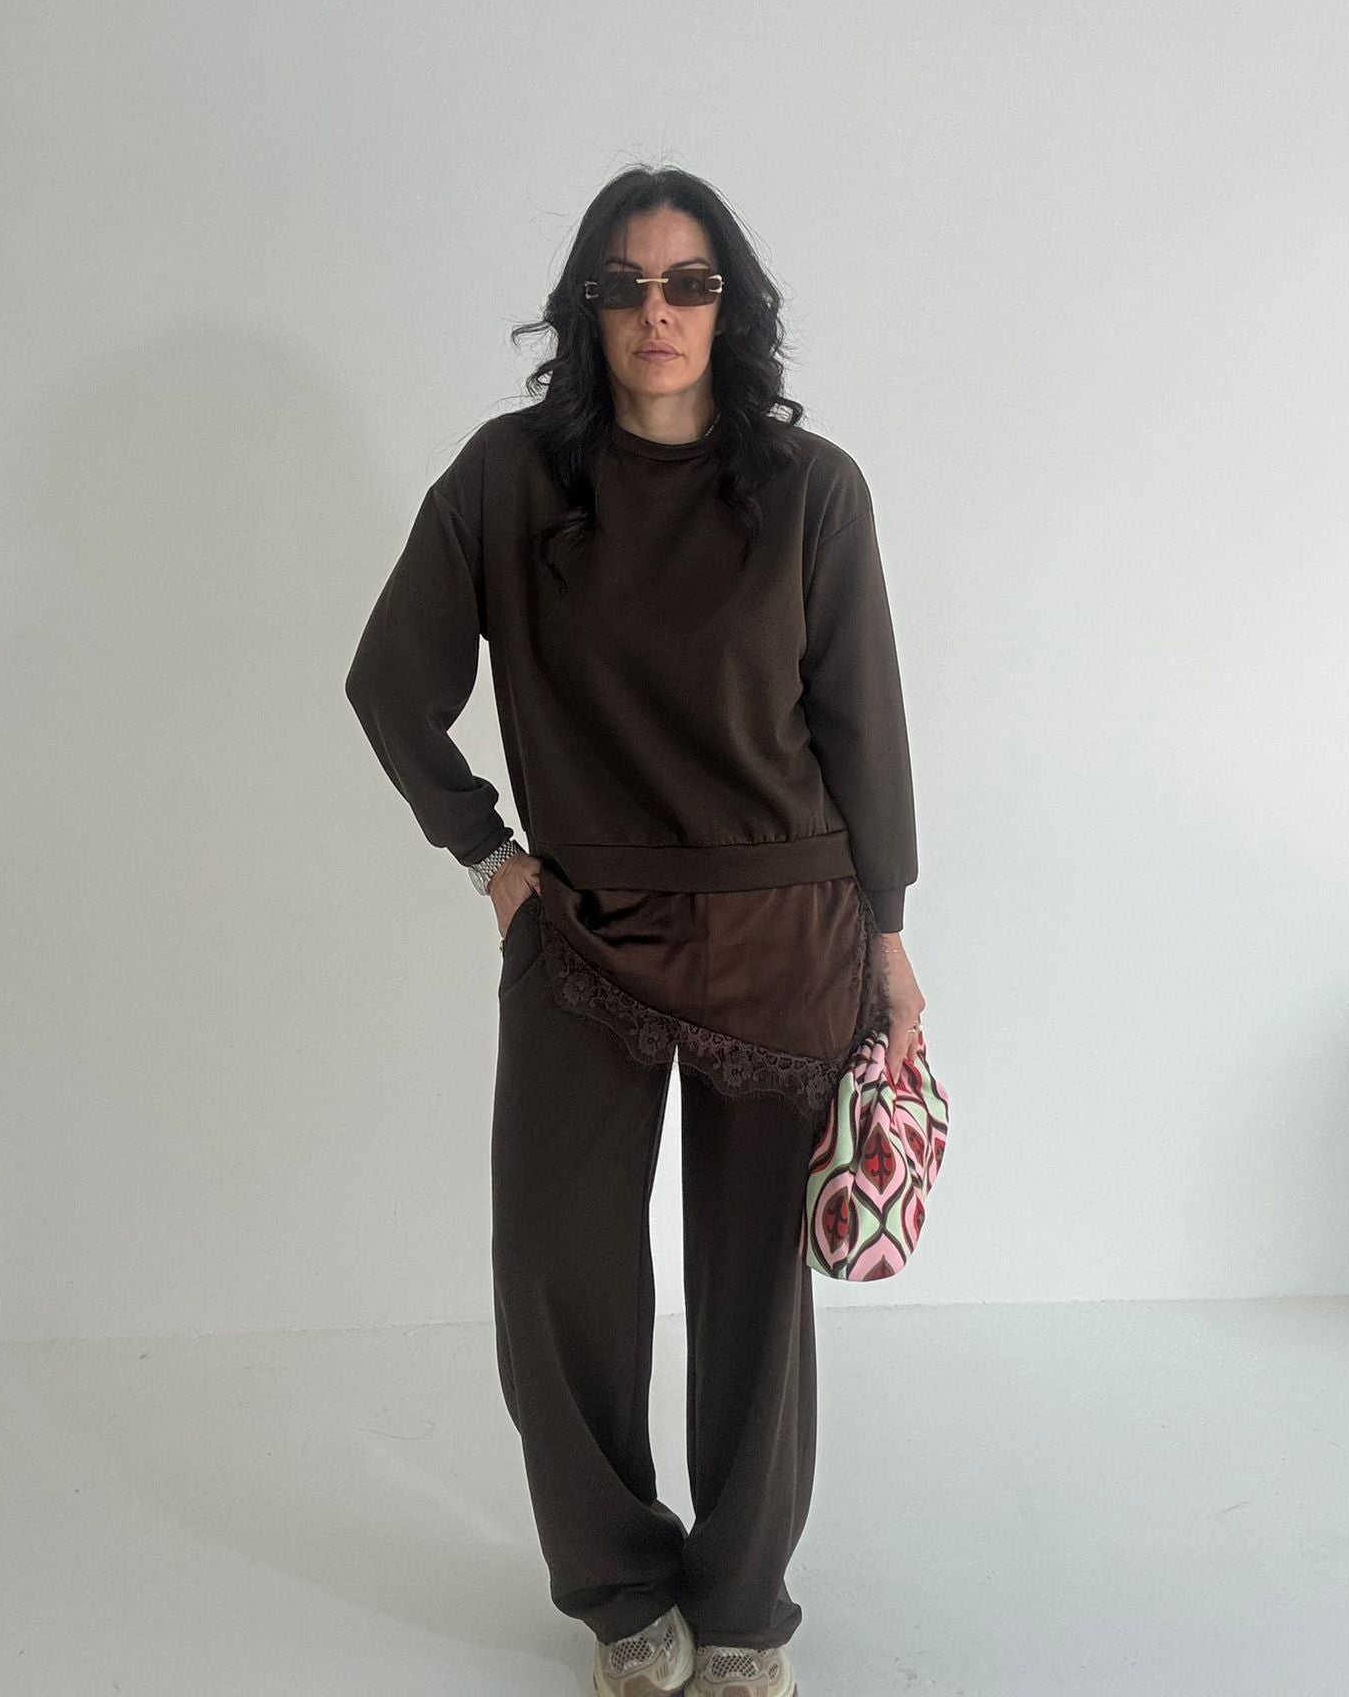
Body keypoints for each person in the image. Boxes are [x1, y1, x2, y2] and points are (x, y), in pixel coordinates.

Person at [345, 164, 924, 1697]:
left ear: (731, 306)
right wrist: (490, 856)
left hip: (785, 928)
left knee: (755, 1297)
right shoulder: (508, 477)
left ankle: (740, 1610)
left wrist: (888, 935)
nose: (656, 312)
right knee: (558, 1275)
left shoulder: (813, 491)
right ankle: (617, 1593)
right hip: (580, 928)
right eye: (624, 285)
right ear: (586, 307)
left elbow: (862, 726)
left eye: (688, 283)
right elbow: (389, 683)